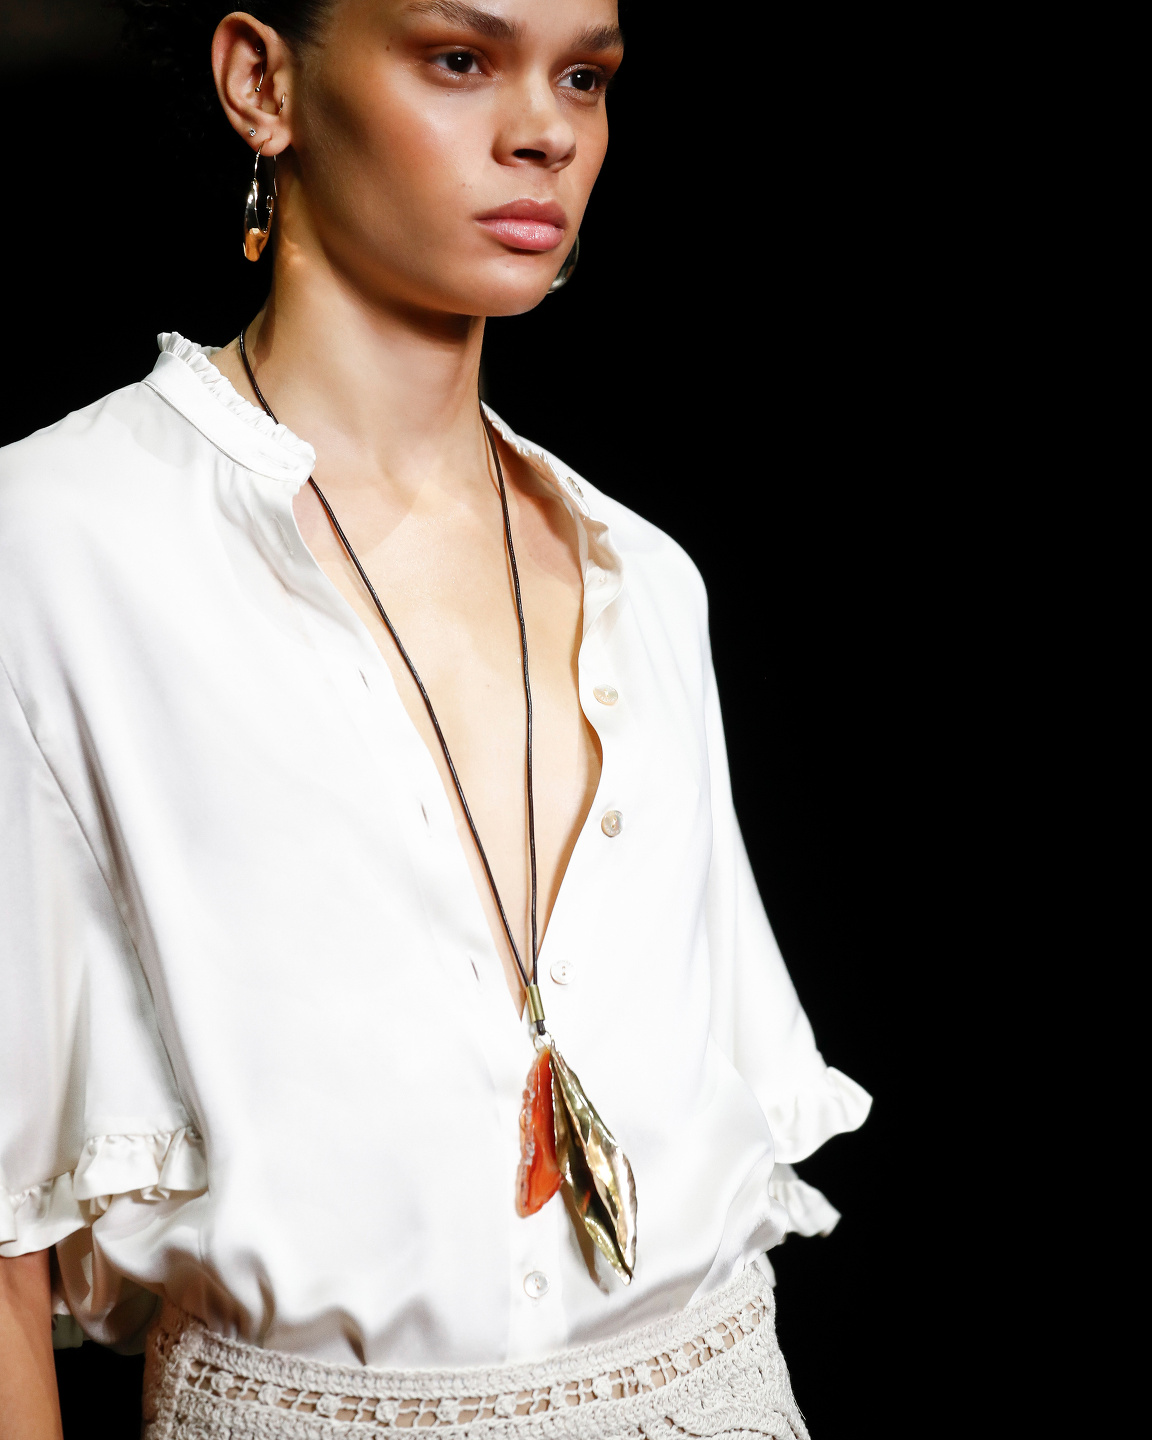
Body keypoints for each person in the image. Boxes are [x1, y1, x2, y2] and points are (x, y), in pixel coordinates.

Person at [0, 2, 870, 1435]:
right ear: (262, 82)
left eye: (583, 76)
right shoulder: (57, 547)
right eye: (461, 59)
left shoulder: (646, 582)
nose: (546, 133)